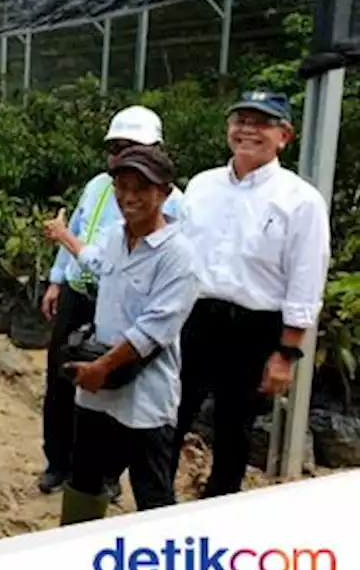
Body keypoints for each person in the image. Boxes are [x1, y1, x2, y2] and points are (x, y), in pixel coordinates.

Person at [171, 91, 330, 498]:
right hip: (197, 318)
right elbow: (180, 251)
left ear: (284, 136)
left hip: (254, 328)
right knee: (170, 414)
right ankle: (155, 502)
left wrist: (286, 354)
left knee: (233, 428)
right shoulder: (203, 186)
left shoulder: (301, 201)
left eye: (260, 123)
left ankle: (217, 510)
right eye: (239, 120)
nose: (246, 130)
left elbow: (306, 280)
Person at [43, 146, 200, 524]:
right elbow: (97, 262)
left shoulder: (178, 256)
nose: (129, 197)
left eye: (141, 189)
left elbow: (154, 329)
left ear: (164, 193)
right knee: (85, 479)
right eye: (122, 186)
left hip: (145, 396)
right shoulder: (116, 236)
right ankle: (77, 546)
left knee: (151, 491)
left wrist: (102, 367)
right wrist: (66, 238)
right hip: (97, 391)